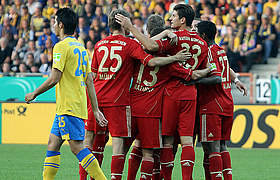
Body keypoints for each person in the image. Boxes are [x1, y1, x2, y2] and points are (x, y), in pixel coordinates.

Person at [82, 9, 191, 180]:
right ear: (125, 24)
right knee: (128, 147)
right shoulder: (131, 45)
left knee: (91, 140)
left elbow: (92, 75)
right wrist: (175, 58)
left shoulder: (99, 44)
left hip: (99, 97)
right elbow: (152, 53)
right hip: (125, 102)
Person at [116, 4, 208, 180]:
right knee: (188, 141)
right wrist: (198, 73)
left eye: (173, 16)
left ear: (182, 20)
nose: (171, 19)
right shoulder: (203, 44)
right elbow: (202, 71)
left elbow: (149, 46)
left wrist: (130, 27)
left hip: (170, 94)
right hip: (190, 94)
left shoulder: (174, 39)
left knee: (166, 141)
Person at [25, 8, 107, 180]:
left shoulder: (60, 47)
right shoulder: (80, 47)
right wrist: (96, 109)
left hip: (68, 106)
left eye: (55, 22)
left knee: (77, 147)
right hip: (71, 105)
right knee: (53, 144)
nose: (54, 25)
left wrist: (35, 93)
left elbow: (55, 78)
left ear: (61, 25)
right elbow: (89, 80)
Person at [195, 20, 247, 180]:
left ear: (203, 36)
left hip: (212, 104)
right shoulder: (220, 50)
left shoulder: (208, 51)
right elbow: (226, 69)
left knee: (213, 148)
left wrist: (193, 80)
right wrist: (236, 80)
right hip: (226, 101)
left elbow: (217, 77)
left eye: (197, 33)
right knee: (222, 146)